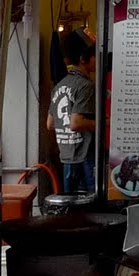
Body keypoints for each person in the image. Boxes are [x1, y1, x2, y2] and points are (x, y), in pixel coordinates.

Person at [47, 31, 97, 195]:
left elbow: (50, 124)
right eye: (95, 56)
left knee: (72, 210)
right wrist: (108, 123)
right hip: (85, 158)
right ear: (83, 59)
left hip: (67, 158)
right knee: (89, 207)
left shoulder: (60, 85)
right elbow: (76, 123)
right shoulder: (85, 86)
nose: (98, 60)